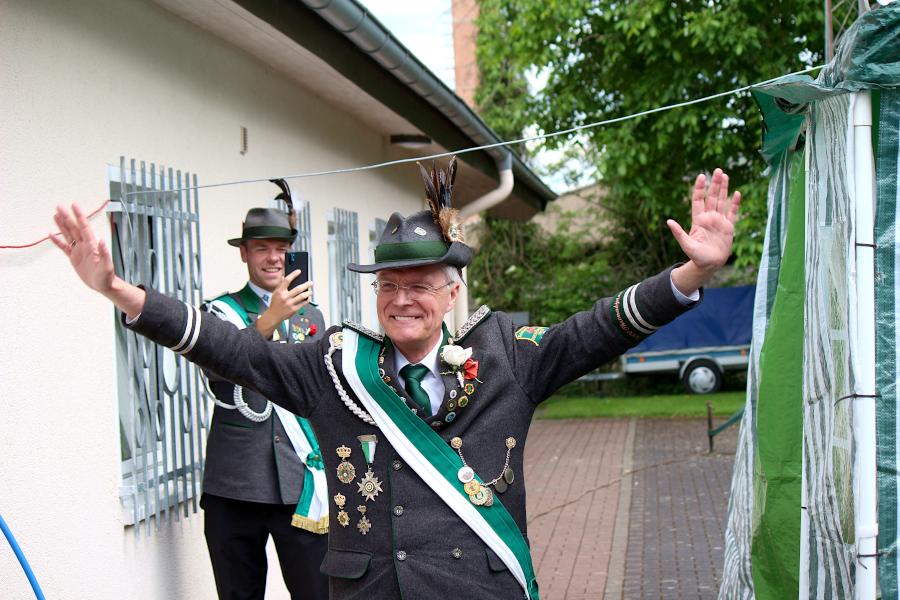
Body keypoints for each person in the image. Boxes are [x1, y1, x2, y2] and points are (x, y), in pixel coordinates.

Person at [52, 159, 740, 599]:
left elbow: (597, 329)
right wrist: (117, 288)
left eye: (421, 285)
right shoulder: (334, 368)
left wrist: (692, 273)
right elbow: (233, 352)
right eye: (390, 285)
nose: (403, 298)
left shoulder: (508, 357)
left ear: (450, 294)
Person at [192, 204, 329, 599]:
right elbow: (219, 369)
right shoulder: (219, 311)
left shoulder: (311, 315)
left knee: (317, 592)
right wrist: (269, 320)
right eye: (261, 247)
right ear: (244, 253)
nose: (273, 258)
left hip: (300, 484)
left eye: (281, 248)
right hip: (234, 485)